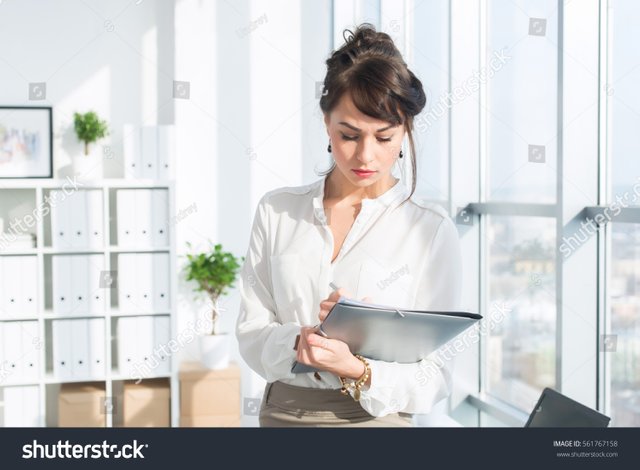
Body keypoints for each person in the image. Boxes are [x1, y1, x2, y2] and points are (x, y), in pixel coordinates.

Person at [236, 23, 462, 427]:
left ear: (405, 130)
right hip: (283, 414)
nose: (366, 156)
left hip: (375, 421)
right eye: (349, 134)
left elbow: (437, 375)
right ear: (327, 124)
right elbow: (251, 333)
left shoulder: (429, 229)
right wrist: (297, 342)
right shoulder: (277, 211)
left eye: (384, 137)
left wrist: (358, 368)